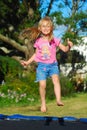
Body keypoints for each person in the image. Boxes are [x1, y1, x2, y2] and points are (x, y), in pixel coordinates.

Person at [21, 16, 73, 112]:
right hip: (42, 66)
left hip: (53, 65)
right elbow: (35, 55)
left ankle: (58, 100)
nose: (45, 28)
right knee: (42, 85)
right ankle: (43, 104)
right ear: (40, 28)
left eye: (48, 26)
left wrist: (69, 46)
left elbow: (65, 49)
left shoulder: (54, 40)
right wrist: (27, 62)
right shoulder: (38, 41)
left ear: (51, 28)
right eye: (43, 26)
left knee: (56, 80)